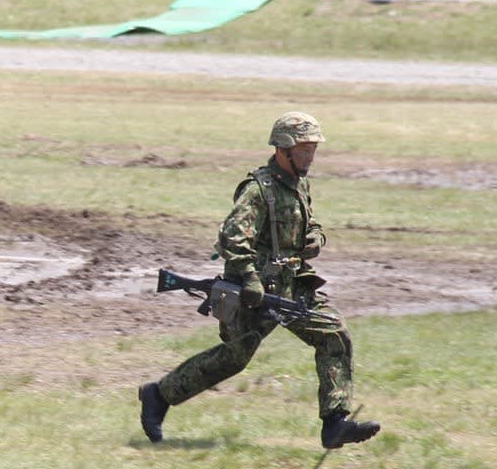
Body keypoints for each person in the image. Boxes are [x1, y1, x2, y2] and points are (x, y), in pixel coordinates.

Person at [139, 112, 381, 449]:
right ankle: (158, 395)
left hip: (293, 285)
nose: (311, 156)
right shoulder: (258, 189)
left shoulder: (300, 183)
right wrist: (250, 278)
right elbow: (232, 238)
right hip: (254, 292)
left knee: (334, 334)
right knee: (234, 358)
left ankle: (335, 423)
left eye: (313, 149)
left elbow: (309, 224)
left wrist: (316, 238)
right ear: (283, 149)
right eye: (304, 149)